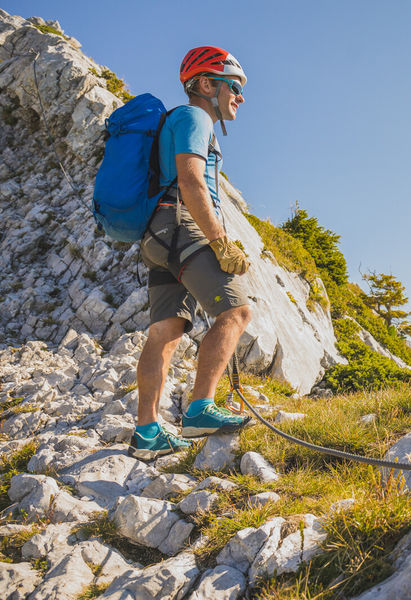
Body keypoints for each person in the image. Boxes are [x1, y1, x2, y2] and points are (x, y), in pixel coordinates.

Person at [129, 46, 254, 460]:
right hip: (182, 225)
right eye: (233, 86)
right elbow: (192, 181)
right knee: (236, 313)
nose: (239, 96)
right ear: (205, 84)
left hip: (158, 236)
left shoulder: (182, 120)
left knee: (166, 331)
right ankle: (201, 408)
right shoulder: (196, 117)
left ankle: (147, 431)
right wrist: (219, 240)